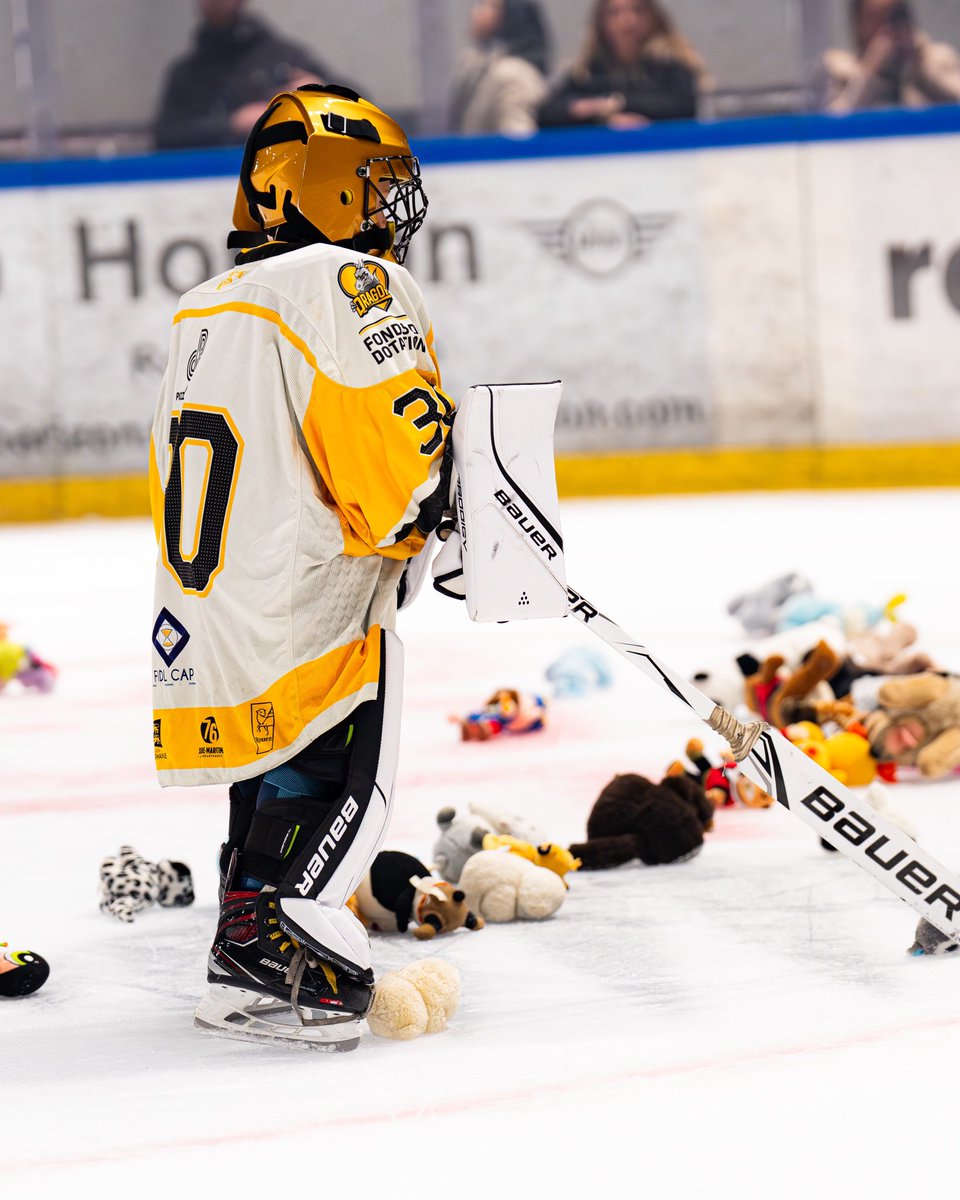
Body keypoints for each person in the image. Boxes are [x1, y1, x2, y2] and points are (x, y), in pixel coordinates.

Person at [149, 84, 453, 1048]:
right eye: (371, 186)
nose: (387, 211)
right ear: (318, 188)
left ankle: (245, 934)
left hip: (211, 613)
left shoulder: (208, 302)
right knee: (339, 764)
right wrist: (462, 508)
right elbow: (397, 466)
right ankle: (269, 952)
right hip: (301, 604)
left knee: (273, 769)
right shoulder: (341, 284)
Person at [153, 0, 336, 149]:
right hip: (209, 181)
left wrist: (320, 94)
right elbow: (166, 133)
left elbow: (358, 108)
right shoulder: (187, 72)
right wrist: (233, 124)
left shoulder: (282, 56)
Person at [538, 0, 704, 130]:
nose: (627, 20)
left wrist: (616, 103)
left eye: (637, 10)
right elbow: (547, 113)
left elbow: (683, 106)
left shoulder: (670, 62)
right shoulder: (589, 70)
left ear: (653, 16)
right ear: (601, 22)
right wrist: (602, 118)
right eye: (615, 13)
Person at [824, 0, 960, 113]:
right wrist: (869, 73)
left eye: (894, 17)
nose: (887, 27)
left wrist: (921, 65)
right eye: (876, 18)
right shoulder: (839, 70)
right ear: (858, 23)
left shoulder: (936, 59)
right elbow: (833, 127)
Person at [449, 0, 551, 135]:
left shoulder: (514, 76)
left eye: (487, 6)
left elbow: (518, 142)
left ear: (513, 14)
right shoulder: (478, 65)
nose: (476, 12)